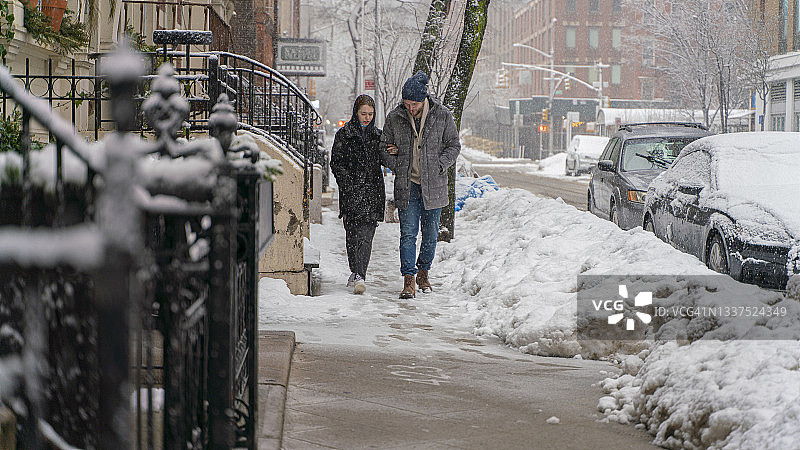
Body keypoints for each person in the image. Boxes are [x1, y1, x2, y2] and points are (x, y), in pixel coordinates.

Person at [381, 71, 461, 299]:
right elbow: (383, 146)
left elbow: (454, 146)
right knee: (407, 234)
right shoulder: (395, 117)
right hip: (407, 185)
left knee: (430, 234)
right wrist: (396, 163)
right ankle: (409, 279)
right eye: (406, 103)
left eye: (414, 103)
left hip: (433, 184)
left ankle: (424, 272)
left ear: (423, 99)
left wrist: (439, 164)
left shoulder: (442, 115)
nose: (410, 108)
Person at [330, 94, 385, 294]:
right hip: (351, 193)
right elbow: (336, 162)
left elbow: (385, 158)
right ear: (356, 113)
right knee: (352, 237)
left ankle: (361, 275)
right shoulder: (344, 135)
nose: (367, 117)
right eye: (363, 113)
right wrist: (347, 184)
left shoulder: (378, 136)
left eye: (370, 114)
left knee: (366, 236)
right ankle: (355, 270)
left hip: (372, 192)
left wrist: (393, 151)